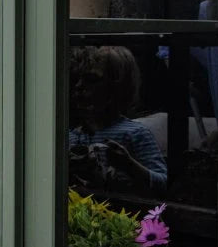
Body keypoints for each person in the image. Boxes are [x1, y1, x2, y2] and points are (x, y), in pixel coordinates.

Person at [68, 45, 167, 195]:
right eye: (77, 79)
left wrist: (129, 166)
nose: (79, 86)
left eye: (92, 80)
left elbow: (163, 182)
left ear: (117, 87)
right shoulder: (72, 136)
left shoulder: (135, 134)